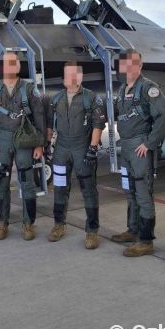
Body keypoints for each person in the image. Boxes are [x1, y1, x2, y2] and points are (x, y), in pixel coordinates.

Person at [112, 49, 165, 257]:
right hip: (126, 147)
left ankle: (146, 241)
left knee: (143, 193)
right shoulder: (122, 89)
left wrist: (149, 143)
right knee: (130, 191)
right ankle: (132, 230)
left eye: (133, 63)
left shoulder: (148, 88)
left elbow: (164, 115)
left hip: (139, 147)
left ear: (140, 65)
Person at [0, 52, 45, 241]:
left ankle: (28, 224)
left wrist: (40, 144)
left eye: (13, 63)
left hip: (24, 138)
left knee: (27, 181)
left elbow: (39, 117)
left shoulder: (29, 89)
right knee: (0, 182)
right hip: (2, 138)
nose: (10, 66)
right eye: (6, 63)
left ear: (18, 66)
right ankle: (2, 223)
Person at [46, 62, 106, 249]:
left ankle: (92, 231)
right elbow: (49, 125)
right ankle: (58, 225)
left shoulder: (91, 98)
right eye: (66, 74)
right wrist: (47, 144)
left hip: (82, 148)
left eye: (73, 74)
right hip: (61, 149)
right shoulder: (56, 99)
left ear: (80, 77)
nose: (69, 78)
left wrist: (93, 148)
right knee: (60, 188)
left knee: (88, 190)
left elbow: (98, 124)